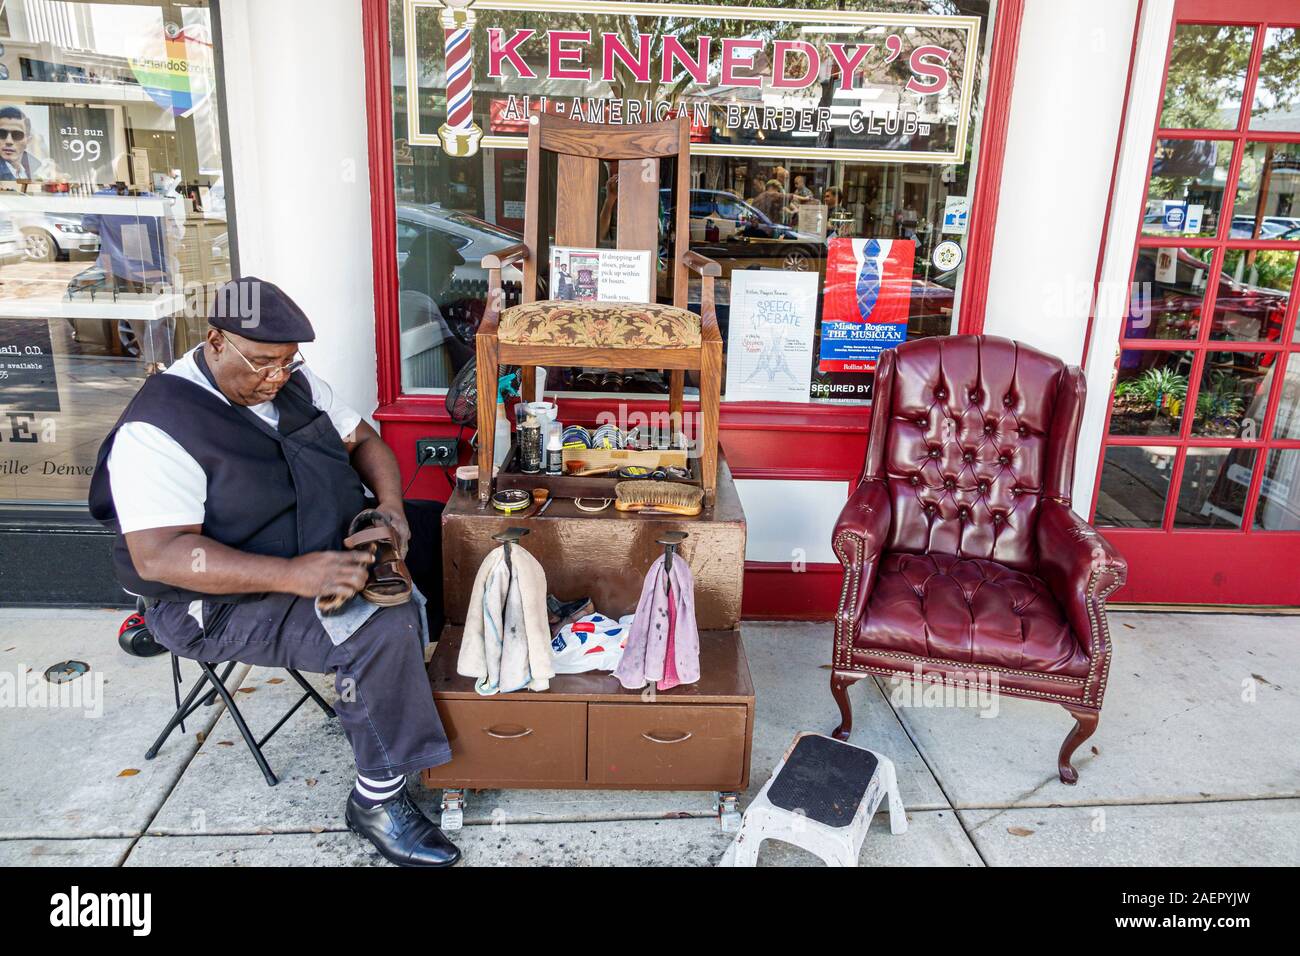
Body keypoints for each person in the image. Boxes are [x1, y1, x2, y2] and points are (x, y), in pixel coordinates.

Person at [88, 277, 460, 868]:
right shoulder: (159, 428)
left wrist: (388, 507)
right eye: (262, 363)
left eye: (287, 362)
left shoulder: (297, 382)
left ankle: (431, 704)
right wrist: (296, 575)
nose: (276, 377)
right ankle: (378, 796)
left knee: (445, 529)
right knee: (375, 630)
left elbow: (364, 440)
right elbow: (159, 556)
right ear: (215, 341)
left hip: (315, 549)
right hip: (215, 603)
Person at [0, 106, 45, 181]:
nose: (9, 141)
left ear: (28, 140)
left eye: (17, 135)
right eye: (1, 133)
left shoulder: (38, 171)